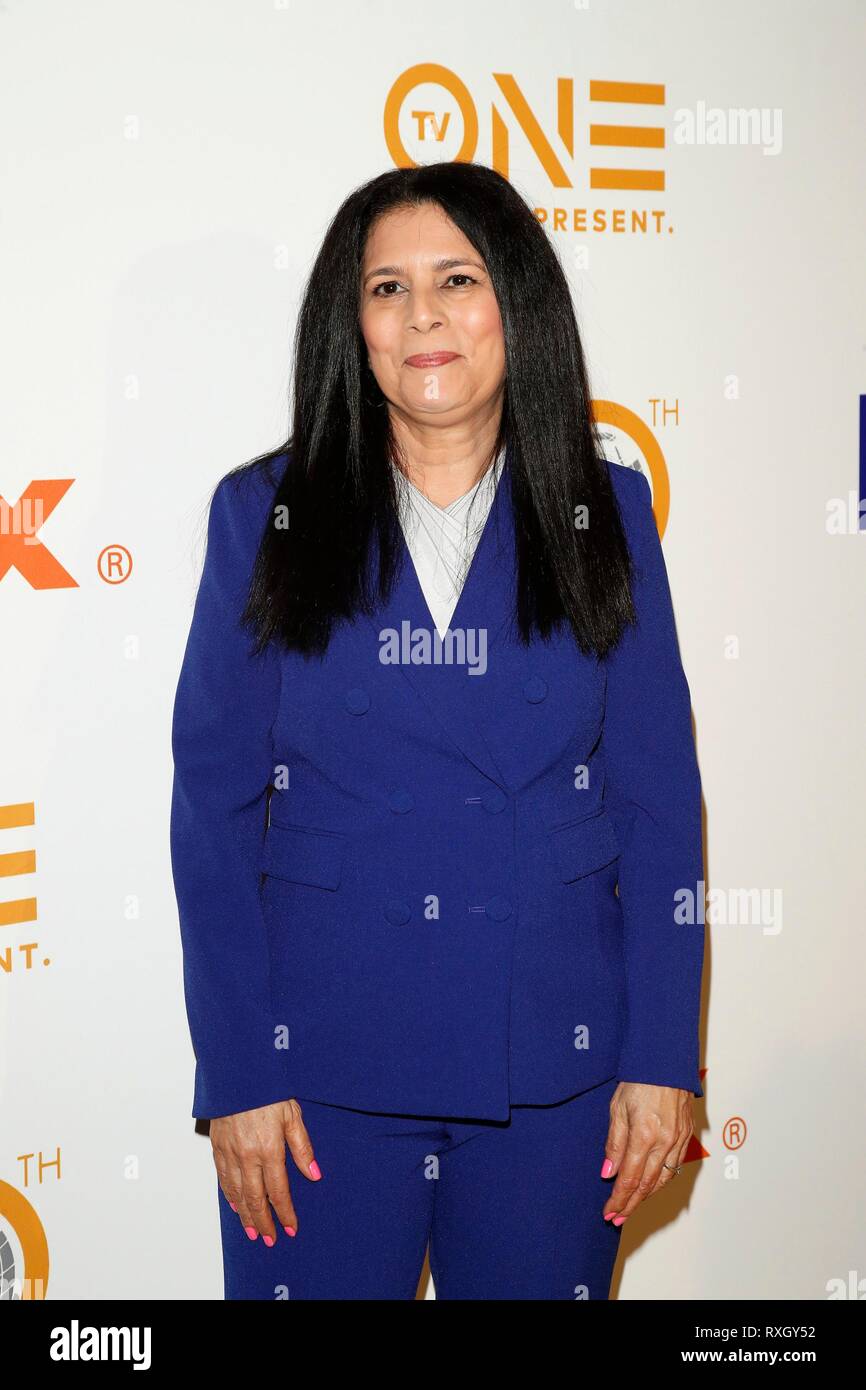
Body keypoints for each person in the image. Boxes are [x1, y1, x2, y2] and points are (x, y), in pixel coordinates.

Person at [169, 160, 705, 1300]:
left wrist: (660, 1055)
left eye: (456, 278)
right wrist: (235, 1069)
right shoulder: (263, 517)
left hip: (553, 1078)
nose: (421, 315)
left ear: (516, 304)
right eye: (385, 288)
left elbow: (656, 805)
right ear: (348, 325)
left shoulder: (605, 515)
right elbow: (212, 813)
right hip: (314, 1081)